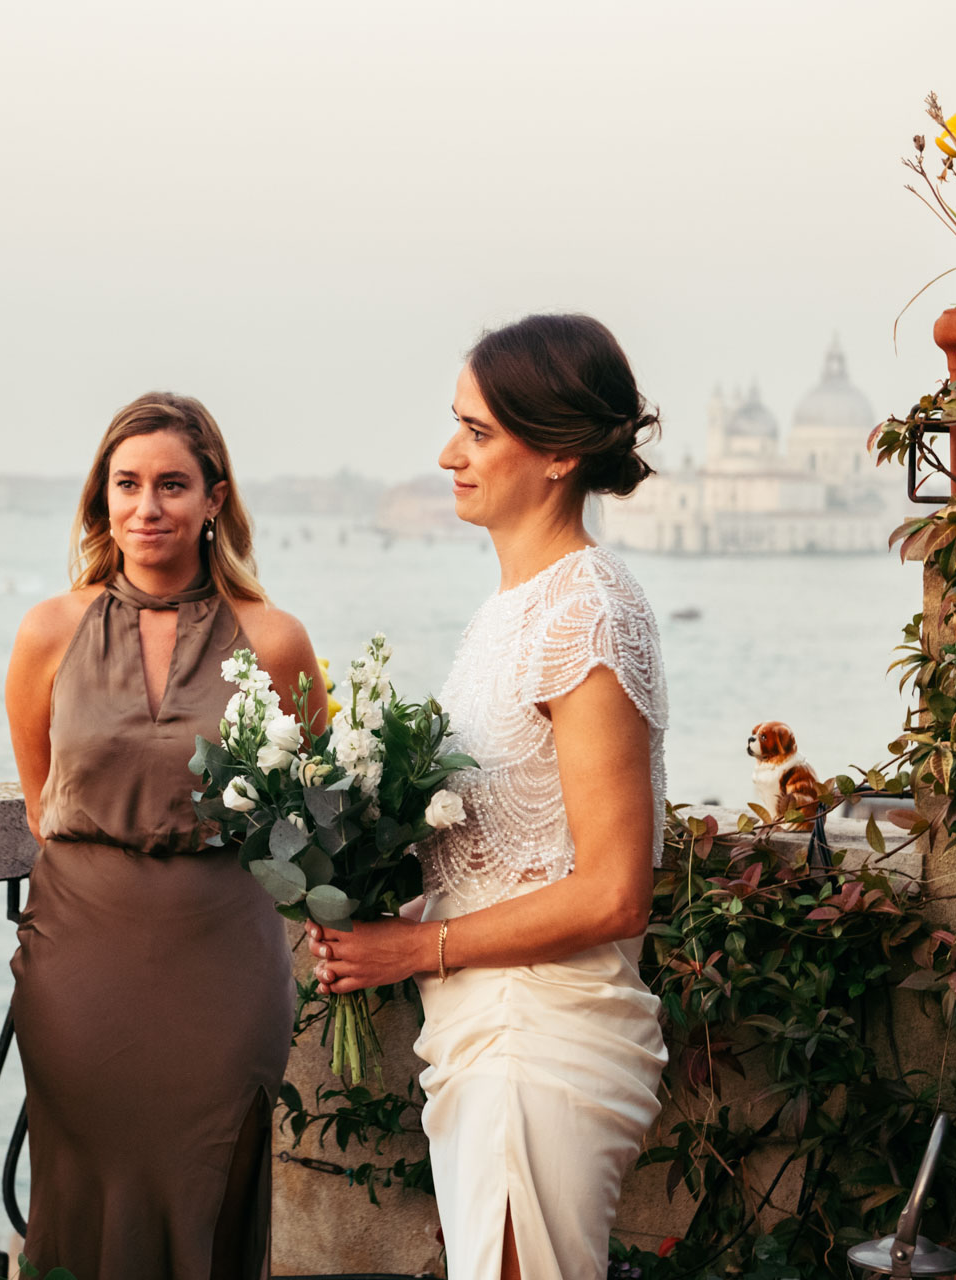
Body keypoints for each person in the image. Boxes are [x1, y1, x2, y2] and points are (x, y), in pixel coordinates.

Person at [306, 314, 671, 1280]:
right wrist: (383, 909)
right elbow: (518, 847)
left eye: (477, 432)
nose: (448, 454)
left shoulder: (587, 610)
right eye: (456, 427)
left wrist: (414, 947)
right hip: (483, 1024)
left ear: (556, 454)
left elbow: (613, 892)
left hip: (539, 1035)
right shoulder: (506, 614)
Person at [4, 392, 324, 1280]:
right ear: (101, 497)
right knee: (79, 1206)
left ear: (214, 498)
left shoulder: (276, 639)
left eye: (173, 485)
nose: (148, 507)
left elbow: (309, 814)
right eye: (128, 484)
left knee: (211, 1194)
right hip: (80, 970)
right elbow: (45, 799)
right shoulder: (47, 633)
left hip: (223, 969)